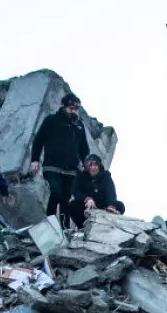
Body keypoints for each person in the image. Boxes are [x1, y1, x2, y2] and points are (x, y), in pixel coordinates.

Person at [30, 93, 88, 225]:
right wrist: (35, 159)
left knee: (65, 199)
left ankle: (64, 227)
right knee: (56, 191)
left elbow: (84, 147)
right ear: (63, 106)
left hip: (71, 169)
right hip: (52, 166)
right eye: (70, 108)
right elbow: (38, 140)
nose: (73, 111)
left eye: (75, 109)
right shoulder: (51, 120)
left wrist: (86, 163)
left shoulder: (79, 125)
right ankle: (50, 222)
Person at [70, 153, 118, 226]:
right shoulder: (81, 177)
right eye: (90, 165)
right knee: (73, 205)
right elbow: (76, 192)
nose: (93, 168)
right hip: (88, 205)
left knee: (120, 205)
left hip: (103, 205)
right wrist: (87, 199)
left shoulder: (106, 176)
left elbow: (110, 192)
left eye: (95, 165)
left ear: (99, 166)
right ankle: (82, 227)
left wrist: (111, 205)